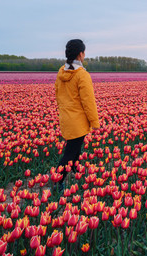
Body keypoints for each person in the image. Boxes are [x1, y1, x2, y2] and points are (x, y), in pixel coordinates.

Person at [54, 39, 100, 191]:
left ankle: (76, 173)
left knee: (75, 149)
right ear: (80, 54)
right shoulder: (82, 75)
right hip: (78, 121)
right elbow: (88, 101)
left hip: (66, 118)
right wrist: (94, 122)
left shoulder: (61, 72)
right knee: (70, 153)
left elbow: (58, 95)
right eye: (84, 53)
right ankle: (58, 181)